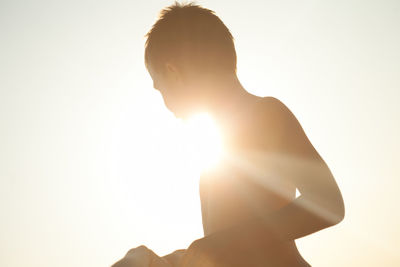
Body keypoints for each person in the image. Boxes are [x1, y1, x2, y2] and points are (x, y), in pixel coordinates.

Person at [112, 2, 345, 267]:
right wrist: (166, 262)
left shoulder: (265, 113)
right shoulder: (213, 154)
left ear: (172, 72)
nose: (166, 103)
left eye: (160, 88)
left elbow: (328, 203)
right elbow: (226, 249)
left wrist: (215, 244)